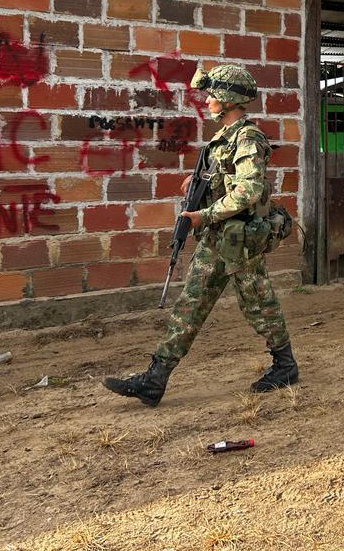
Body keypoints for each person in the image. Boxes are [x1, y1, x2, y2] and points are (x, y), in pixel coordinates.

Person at [103, 64, 299, 407]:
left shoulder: (247, 137)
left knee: (259, 304)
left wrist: (202, 215)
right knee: (189, 306)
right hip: (216, 238)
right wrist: (200, 186)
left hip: (240, 241)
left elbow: (248, 191)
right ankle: (155, 379)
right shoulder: (223, 137)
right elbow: (223, 178)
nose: (207, 101)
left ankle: (285, 366)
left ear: (227, 98)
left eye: (212, 95)